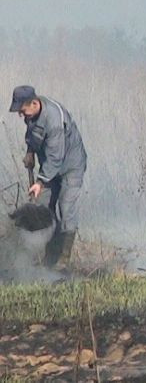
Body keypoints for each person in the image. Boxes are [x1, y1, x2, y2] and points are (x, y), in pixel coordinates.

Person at [9, 85, 87, 267]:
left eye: (22, 111)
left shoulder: (54, 120)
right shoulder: (31, 115)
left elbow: (56, 156)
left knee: (66, 207)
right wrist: (30, 152)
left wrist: (40, 182)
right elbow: (32, 135)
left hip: (70, 167)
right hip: (50, 168)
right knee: (44, 208)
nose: (21, 115)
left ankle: (63, 259)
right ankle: (50, 257)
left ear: (34, 103)